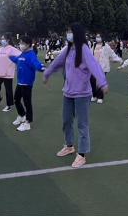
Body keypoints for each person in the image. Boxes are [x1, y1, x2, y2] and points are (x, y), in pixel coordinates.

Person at [43, 23, 108, 169]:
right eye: (67, 32)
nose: (68, 34)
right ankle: (69, 146)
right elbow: (57, 62)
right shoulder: (68, 49)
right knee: (66, 121)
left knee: (82, 124)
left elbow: (94, 66)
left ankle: (82, 154)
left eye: (71, 32)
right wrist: (47, 74)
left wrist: (102, 83)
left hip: (82, 94)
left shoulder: (83, 49)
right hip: (68, 92)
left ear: (77, 33)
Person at [10, 36, 46, 132]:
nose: (20, 45)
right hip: (20, 82)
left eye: (22, 43)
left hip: (27, 83)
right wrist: (9, 56)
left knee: (27, 102)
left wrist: (41, 68)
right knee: (16, 100)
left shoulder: (31, 54)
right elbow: (17, 59)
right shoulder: (23, 53)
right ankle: (22, 115)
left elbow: (35, 63)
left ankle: (27, 123)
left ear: (28, 44)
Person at [0, 34, 21, 112]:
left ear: (8, 40)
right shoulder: (1, 49)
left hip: (8, 73)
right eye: (1, 39)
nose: (1, 40)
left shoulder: (12, 49)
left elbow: (20, 55)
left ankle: (8, 105)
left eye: (3, 39)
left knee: (8, 90)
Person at [91, 33, 122, 104]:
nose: (97, 38)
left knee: (99, 81)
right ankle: (94, 95)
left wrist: (120, 60)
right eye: (96, 37)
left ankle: (100, 97)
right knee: (92, 80)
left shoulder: (106, 46)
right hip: (94, 66)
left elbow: (112, 54)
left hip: (102, 66)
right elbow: (90, 54)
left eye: (99, 37)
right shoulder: (94, 45)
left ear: (102, 38)